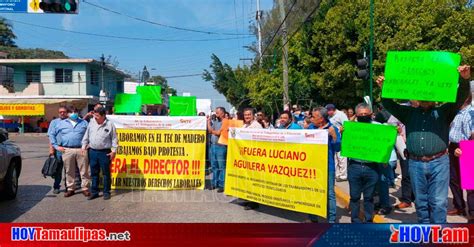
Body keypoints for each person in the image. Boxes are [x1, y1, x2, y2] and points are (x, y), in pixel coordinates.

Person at [376, 64, 470, 223]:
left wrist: (465, 79)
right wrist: (384, 88)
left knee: (439, 202)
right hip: (415, 163)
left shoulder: (444, 111)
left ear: (435, 96)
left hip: (439, 162)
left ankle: (438, 233)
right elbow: (389, 105)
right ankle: (425, 233)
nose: (426, 97)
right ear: (417, 96)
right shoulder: (408, 113)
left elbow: (461, 96)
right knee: (420, 203)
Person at [346, 103, 380, 223]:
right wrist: (342, 132)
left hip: (372, 167)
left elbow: (387, 139)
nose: (364, 116)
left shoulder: (378, 127)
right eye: (361, 114)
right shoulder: (350, 128)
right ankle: (355, 220)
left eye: (366, 114)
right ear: (357, 115)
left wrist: (395, 131)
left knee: (369, 197)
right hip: (354, 166)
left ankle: (368, 219)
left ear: (371, 114)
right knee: (354, 197)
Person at [307, 107, 340, 223]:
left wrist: (334, 137)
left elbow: (338, 148)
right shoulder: (311, 128)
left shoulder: (333, 129)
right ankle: (313, 218)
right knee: (312, 191)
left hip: (327, 167)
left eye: (313, 117)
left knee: (330, 193)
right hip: (312, 166)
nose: (311, 119)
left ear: (321, 119)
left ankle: (331, 220)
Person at [49, 106, 90, 198]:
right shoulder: (61, 123)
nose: (73, 113)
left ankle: (85, 188)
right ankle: (71, 189)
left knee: (84, 171)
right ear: (68, 114)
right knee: (69, 171)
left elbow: (90, 133)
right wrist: (55, 146)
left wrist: (89, 144)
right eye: (71, 112)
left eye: (75, 111)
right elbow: (51, 134)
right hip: (67, 150)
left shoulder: (84, 122)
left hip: (81, 149)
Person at [82, 107, 118, 200]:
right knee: (94, 172)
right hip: (92, 151)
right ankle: (94, 192)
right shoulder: (92, 122)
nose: (95, 117)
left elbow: (114, 139)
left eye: (97, 116)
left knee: (106, 173)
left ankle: (106, 192)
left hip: (104, 152)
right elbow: (87, 135)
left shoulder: (110, 124)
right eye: (94, 115)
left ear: (103, 116)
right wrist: (84, 145)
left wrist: (113, 151)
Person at [447, 94, 473, 216]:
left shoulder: (470, 113)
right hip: (453, 146)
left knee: (470, 183)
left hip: (467, 147)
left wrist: (464, 147)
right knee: (453, 179)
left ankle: (472, 212)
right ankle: (459, 206)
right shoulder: (457, 112)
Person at [242, 108, 263, 210]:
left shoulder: (257, 126)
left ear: (253, 115)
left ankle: (254, 202)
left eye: (249, 115)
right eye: (245, 115)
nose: (247, 116)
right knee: (247, 179)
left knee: (253, 180)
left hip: (254, 157)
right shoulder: (244, 125)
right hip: (246, 156)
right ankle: (248, 199)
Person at [47, 106, 68, 194]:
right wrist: (51, 149)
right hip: (58, 149)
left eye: (64, 112)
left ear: (67, 113)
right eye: (60, 112)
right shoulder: (54, 122)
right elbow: (51, 136)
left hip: (68, 148)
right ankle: (56, 186)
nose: (62, 113)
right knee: (58, 170)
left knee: (68, 170)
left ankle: (69, 187)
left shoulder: (70, 121)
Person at [453, 133, 474, 223]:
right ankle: (472, 214)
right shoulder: (471, 135)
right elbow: (463, 149)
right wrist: (457, 151)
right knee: (471, 191)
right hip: (470, 170)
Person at [326, 104, 349, 182]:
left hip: (341, 139)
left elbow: (346, 125)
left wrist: (342, 129)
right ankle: (337, 174)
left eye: (328, 111)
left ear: (332, 110)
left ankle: (343, 175)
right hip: (333, 140)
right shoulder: (329, 117)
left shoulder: (341, 115)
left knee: (341, 157)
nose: (328, 113)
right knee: (335, 157)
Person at [207, 107, 227, 193]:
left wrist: (212, 131)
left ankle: (222, 185)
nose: (216, 114)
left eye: (218, 112)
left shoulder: (225, 122)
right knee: (214, 166)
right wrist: (208, 122)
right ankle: (214, 183)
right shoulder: (216, 122)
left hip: (221, 146)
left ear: (222, 113)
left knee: (221, 166)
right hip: (213, 146)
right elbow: (210, 130)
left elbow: (219, 133)